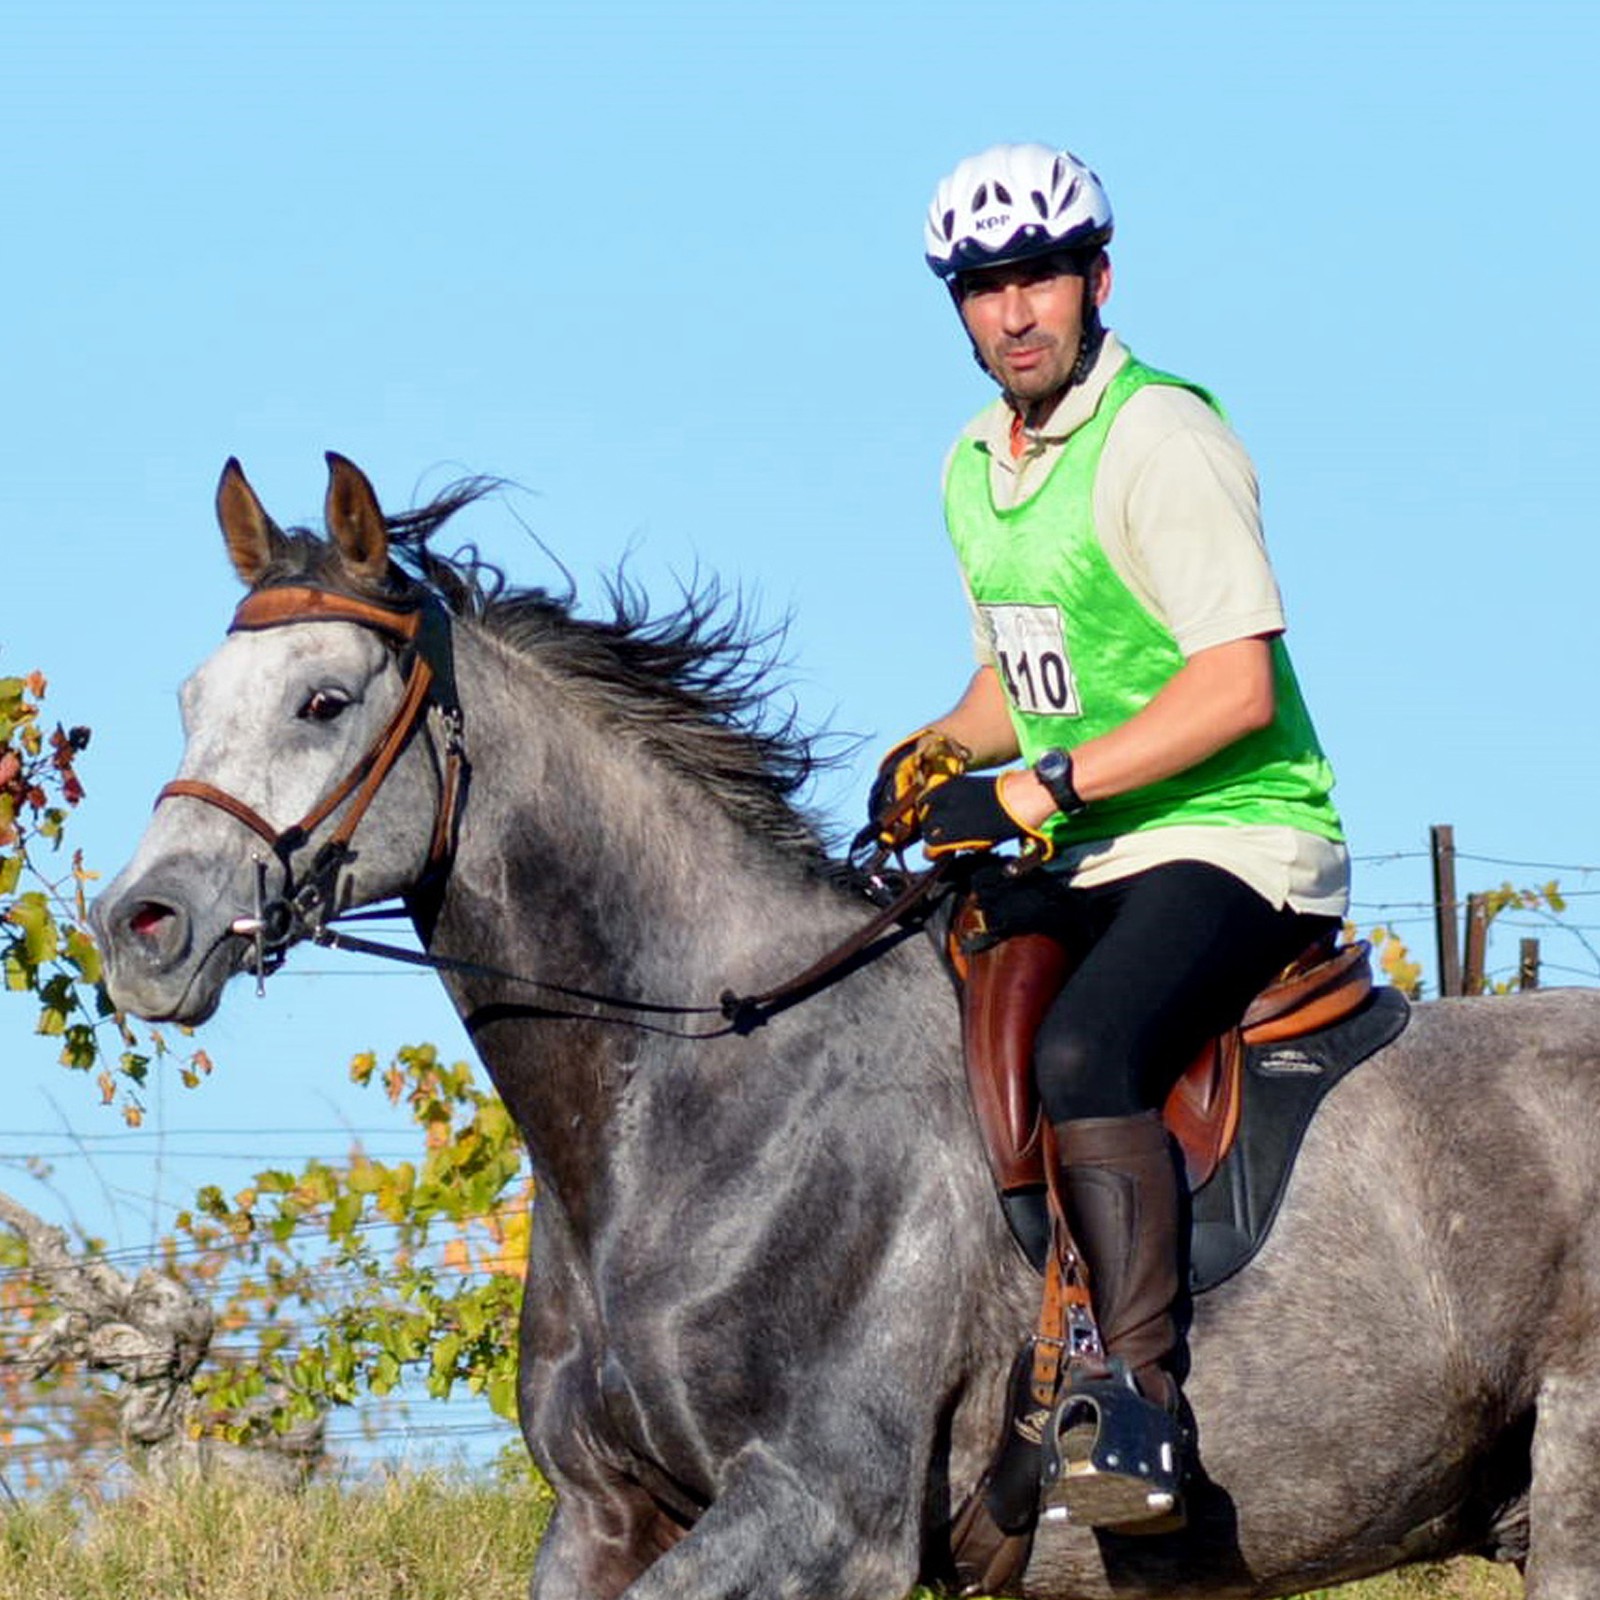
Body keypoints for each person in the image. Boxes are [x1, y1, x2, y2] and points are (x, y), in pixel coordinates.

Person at [868, 142, 1350, 1529]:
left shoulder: (1163, 440)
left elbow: (1235, 685)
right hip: (1088, 854)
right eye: (983, 288)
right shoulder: (973, 464)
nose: (1014, 313)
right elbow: (1014, 687)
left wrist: (1040, 790)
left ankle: (1136, 1408)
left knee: (1086, 1048)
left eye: (1039, 278)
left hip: (1238, 838)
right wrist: (939, 753)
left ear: (1098, 280)